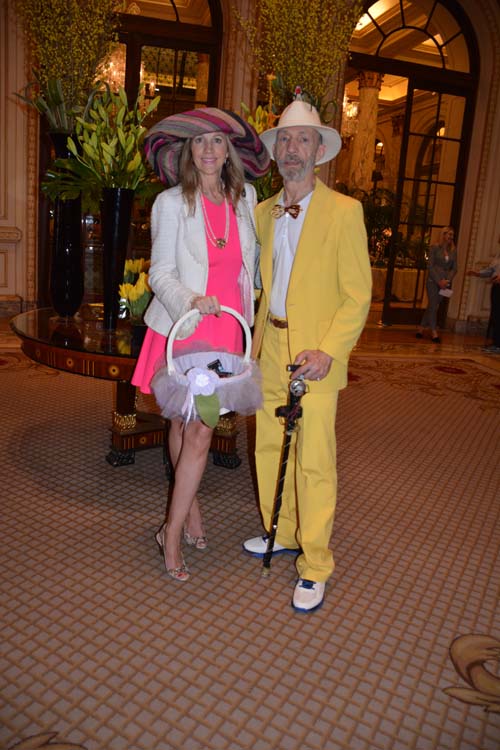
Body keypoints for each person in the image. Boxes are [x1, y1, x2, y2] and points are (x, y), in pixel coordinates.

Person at [242, 99, 372, 613]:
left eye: (303, 140)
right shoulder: (262, 213)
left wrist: (330, 352)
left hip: (314, 354)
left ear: (320, 152)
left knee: (314, 458)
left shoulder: (345, 212)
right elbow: (258, 284)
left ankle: (315, 563)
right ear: (276, 154)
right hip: (270, 343)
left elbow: (357, 294)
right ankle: (283, 531)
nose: (293, 150)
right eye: (285, 141)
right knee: (269, 444)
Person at [132, 108, 270, 581]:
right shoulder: (171, 202)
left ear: (229, 149)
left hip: (230, 327)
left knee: (190, 424)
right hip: (185, 323)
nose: (209, 150)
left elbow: (249, 264)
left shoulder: (247, 197)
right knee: (199, 430)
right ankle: (174, 529)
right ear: (188, 152)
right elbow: (160, 273)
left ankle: (183, 510)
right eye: (199, 143)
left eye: (217, 141)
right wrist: (192, 300)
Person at [416, 227, 457, 343]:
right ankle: (434, 332)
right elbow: (430, 266)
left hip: (445, 283)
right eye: (449, 234)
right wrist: (439, 280)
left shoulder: (454, 250)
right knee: (434, 306)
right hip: (433, 281)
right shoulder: (434, 248)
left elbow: (455, 268)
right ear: (443, 235)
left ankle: (421, 328)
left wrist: (447, 280)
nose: (451, 237)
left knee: (432, 306)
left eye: (452, 235)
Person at [466, 238, 500, 353]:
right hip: (496, 288)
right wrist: (477, 273)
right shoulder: (498, 254)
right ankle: (495, 342)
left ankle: (498, 345)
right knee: (495, 315)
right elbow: (491, 270)